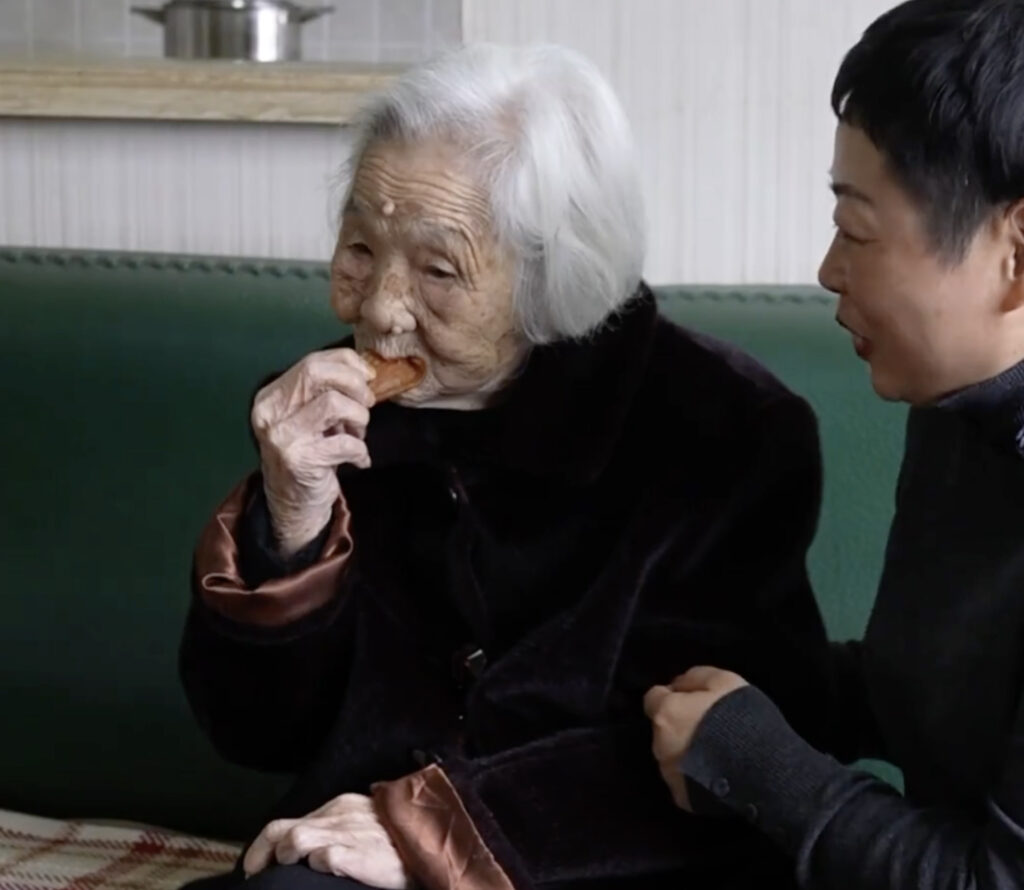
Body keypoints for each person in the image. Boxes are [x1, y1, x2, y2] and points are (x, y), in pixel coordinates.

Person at [182, 42, 832, 890]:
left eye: (437, 268)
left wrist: (432, 830)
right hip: (347, 858)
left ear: (551, 274)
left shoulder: (720, 431)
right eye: (359, 250)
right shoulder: (322, 418)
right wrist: (293, 523)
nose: (379, 309)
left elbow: (723, 754)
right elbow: (254, 736)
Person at [645, 2, 1024, 888]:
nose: (827, 270)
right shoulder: (953, 404)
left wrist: (761, 767)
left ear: (1016, 252)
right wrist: (761, 704)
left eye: (857, 230)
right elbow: (942, 696)